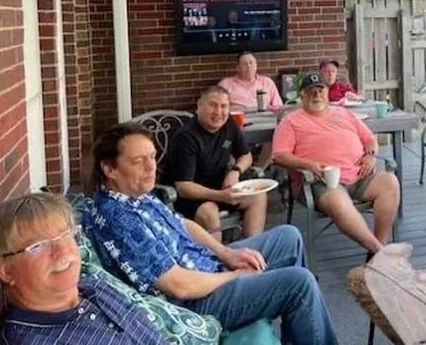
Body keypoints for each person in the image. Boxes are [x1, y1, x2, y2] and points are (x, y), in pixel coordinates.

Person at [84, 122, 337, 345]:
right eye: (139, 161)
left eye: (152, 157)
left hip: (208, 268)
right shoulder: (118, 218)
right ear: (109, 169)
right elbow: (179, 286)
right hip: (196, 302)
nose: (152, 168)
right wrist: (235, 275)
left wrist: (227, 253)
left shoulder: (136, 196)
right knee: (299, 283)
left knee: (288, 237)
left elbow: (184, 225)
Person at [0, 192, 170, 345]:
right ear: (6, 271)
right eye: (38, 245)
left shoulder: (93, 287)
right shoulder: (32, 340)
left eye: (66, 235)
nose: (63, 251)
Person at [272, 72, 400, 255]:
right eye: (310, 92)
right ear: (302, 96)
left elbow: (370, 139)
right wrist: (308, 165)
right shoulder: (290, 121)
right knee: (337, 201)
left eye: (320, 90)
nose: (316, 95)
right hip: (323, 182)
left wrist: (371, 155)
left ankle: (376, 253)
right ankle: (381, 252)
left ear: (327, 92)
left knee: (390, 182)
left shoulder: (344, 113)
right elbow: (279, 155)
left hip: (360, 175)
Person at [164, 85, 267, 239]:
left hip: (221, 188)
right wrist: (221, 196)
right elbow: (184, 187)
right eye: (212, 105)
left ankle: (250, 249)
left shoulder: (228, 123)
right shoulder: (186, 138)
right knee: (209, 212)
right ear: (199, 107)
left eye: (223, 106)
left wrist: (235, 172)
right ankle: (218, 260)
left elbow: (246, 155)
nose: (219, 112)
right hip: (189, 198)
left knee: (258, 196)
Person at [218, 51, 283, 111]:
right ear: (237, 67)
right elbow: (219, 108)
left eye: (251, 63)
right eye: (244, 64)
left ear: (256, 66)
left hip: (265, 119)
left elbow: (278, 106)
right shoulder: (225, 84)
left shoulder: (267, 82)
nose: (248, 66)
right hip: (238, 119)